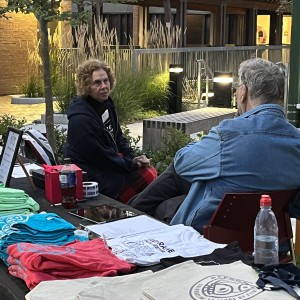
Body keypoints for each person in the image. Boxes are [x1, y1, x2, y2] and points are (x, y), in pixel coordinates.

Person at [128, 58, 300, 233]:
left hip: (208, 233)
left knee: (174, 183)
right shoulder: (297, 140)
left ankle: (126, 216)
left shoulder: (230, 134)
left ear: (243, 92)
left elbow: (182, 163)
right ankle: (130, 211)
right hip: (265, 237)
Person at [64, 59, 157, 203]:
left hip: (107, 164)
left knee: (149, 171)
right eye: (97, 83)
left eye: (106, 81)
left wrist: (132, 157)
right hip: (92, 174)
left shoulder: (106, 104)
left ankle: (138, 206)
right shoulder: (81, 119)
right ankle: (131, 208)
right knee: (148, 175)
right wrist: (132, 164)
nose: (104, 86)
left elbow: (118, 137)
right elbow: (101, 157)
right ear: (86, 85)